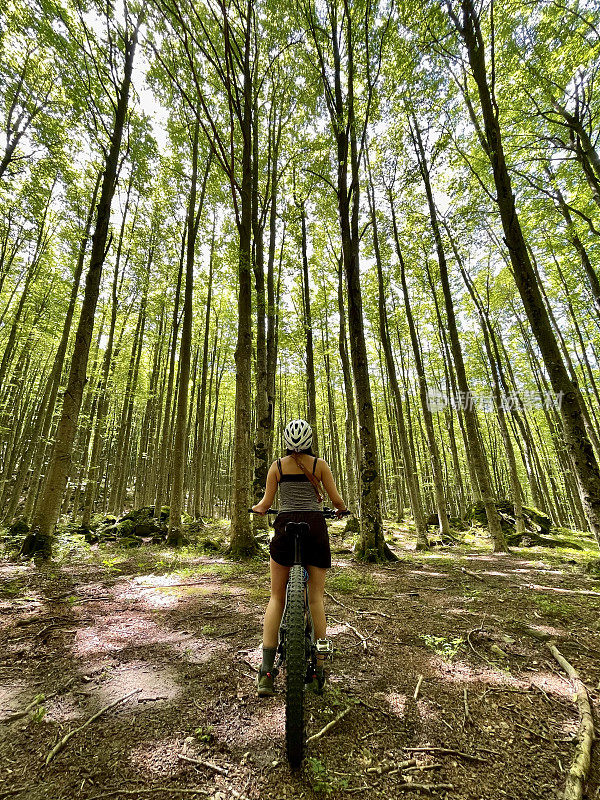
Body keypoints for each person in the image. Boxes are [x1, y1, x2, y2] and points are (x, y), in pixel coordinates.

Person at [252, 419, 348, 698]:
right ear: (309, 442)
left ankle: (266, 673)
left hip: (285, 526)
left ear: (286, 443)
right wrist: (341, 510)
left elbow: (266, 503)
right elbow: (336, 499)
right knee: (316, 599)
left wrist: (258, 509)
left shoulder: (277, 467)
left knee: (276, 598)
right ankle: (318, 669)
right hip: (315, 527)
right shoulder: (320, 465)